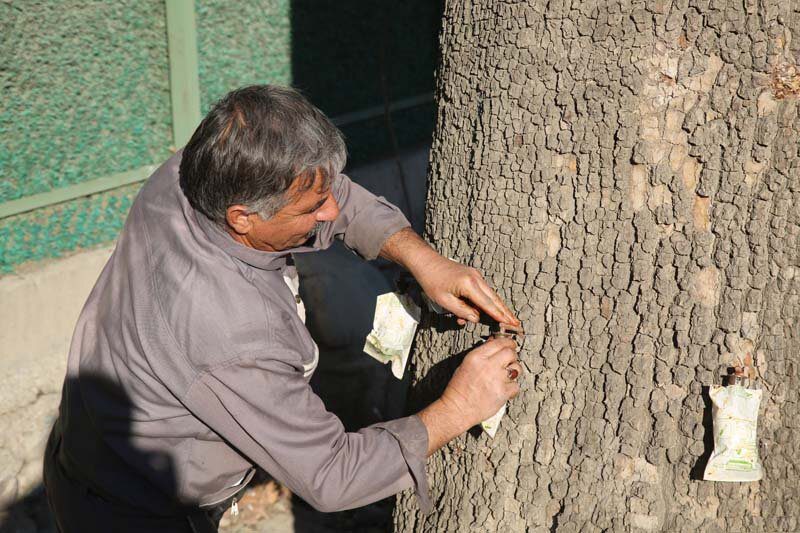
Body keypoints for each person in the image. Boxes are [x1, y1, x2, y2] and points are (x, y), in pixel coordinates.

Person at [43, 85, 522, 532]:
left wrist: (422, 258)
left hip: (91, 447)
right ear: (243, 218)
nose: (331, 211)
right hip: (133, 512)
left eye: (325, 194)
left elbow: (327, 192)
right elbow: (332, 475)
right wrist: (459, 407)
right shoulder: (236, 331)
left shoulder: (195, 172)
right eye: (312, 209)